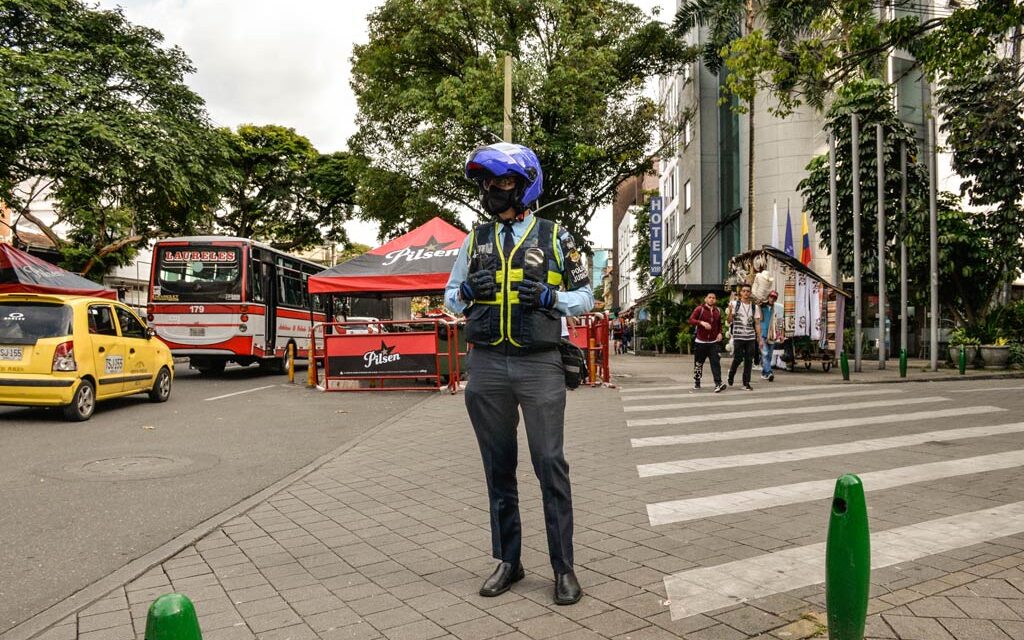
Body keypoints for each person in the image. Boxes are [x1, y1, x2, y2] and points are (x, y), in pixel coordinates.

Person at [445, 142, 594, 606]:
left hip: (540, 364)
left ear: (526, 187)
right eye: (488, 183)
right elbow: (450, 298)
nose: (492, 190)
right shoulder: (475, 239)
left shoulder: (555, 236)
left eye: (503, 182)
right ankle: (509, 561)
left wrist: (553, 300)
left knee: (550, 463)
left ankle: (563, 568)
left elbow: (587, 295)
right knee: (498, 468)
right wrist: (467, 289)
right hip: (487, 364)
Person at [687, 292, 727, 392]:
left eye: (713, 298)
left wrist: (720, 333)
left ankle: (718, 383)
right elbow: (691, 320)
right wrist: (701, 322)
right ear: (705, 299)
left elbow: (719, 325)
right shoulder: (699, 309)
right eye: (710, 297)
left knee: (716, 363)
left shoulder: (717, 311)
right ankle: (697, 382)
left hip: (713, 342)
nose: (712, 299)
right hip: (700, 342)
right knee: (698, 364)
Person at [726, 283, 762, 391]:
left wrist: (759, 337)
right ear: (740, 292)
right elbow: (729, 321)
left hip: (750, 337)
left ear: (750, 293)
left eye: (748, 291)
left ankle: (746, 382)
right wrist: (731, 312)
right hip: (738, 336)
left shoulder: (754, 307)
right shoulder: (734, 304)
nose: (746, 293)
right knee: (738, 358)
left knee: (748, 360)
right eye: (744, 291)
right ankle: (731, 374)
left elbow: (757, 323)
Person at [759, 290, 782, 381]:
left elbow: (780, 322)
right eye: (771, 297)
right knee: (765, 354)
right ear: (768, 297)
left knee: (769, 355)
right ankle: (769, 372)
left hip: (772, 334)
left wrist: (781, 335)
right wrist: (760, 307)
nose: (772, 299)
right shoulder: (762, 307)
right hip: (762, 333)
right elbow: (760, 318)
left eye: (774, 298)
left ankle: (764, 373)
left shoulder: (777, 309)